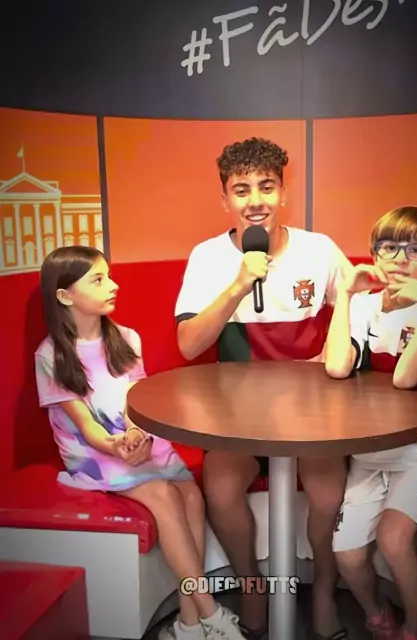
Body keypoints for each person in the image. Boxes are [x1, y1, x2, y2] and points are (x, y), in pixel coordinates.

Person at [174, 137, 353, 640]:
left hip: (313, 410)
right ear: (225, 199)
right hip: (236, 413)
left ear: (283, 193)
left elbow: (356, 308)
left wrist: (331, 352)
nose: (256, 200)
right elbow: (188, 344)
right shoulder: (207, 257)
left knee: (327, 494)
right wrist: (237, 284)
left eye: (267, 187)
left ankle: (324, 591)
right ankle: (252, 588)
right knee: (221, 488)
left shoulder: (319, 249)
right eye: (242, 189)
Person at [34, 245, 249, 640]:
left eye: (109, 276)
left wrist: (137, 434)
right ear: (65, 296)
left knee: (192, 495)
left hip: (140, 440)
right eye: (98, 280)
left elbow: (136, 402)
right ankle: (210, 611)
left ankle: (187, 623)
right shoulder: (50, 356)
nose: (113, 285)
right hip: (94, 454)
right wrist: (117, 446)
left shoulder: (126, 339)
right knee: (164, 495)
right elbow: (85, 425)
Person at [324, 206, 417, 640]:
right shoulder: (364, 305)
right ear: (375, 255)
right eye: (388, 248)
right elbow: (336, 367)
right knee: (347, 554)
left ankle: (416, 629)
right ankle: (379, 618)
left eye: (416, 250)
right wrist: (346, 296)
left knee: (393, 539)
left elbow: (407, 378)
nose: (400, 259)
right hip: (371, 451)